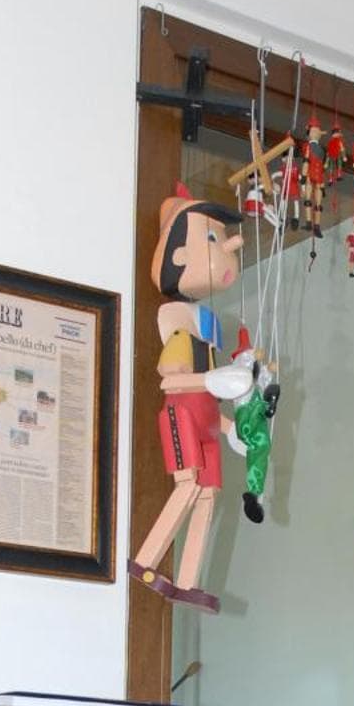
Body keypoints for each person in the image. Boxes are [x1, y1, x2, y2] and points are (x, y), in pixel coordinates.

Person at [128, 185, 249, 614]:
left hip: (206, 421)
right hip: (181, 416)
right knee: (188, 485)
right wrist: (213, 379)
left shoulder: (205, 327)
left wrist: (232, 430)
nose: (231, 245)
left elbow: (209, 397)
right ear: (178, 255)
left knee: (208, 494)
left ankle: (187, 581)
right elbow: (172, 380)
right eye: (213, 237)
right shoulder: (176, 321)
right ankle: (145, 561)